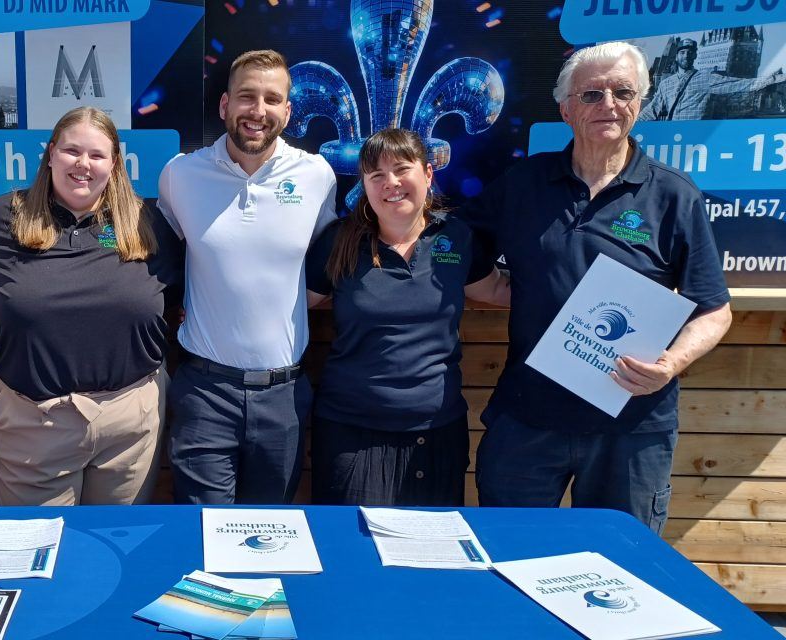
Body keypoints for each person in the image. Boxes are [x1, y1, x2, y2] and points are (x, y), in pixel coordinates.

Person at [462, 42, 732, 532]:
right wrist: (495, 289)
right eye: (591, 94)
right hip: (528, 417)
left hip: (632, 427)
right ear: (566, 109)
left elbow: (713, 309)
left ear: (639, 104)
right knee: (508, 550)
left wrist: (671, 364)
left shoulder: (674, 195)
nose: (608, 104)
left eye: (622, 92)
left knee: (624, 563)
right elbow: (458, 247)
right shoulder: (523, 183)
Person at [0, 106, 182, 506]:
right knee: (35, 542)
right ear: (51, 153)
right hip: (34, 425)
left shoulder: (146, 223)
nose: (83, 164)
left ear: (114, 164)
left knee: (116, 541)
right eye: (72, 151)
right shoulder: (3, 219)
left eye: (97, 155)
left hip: (129, 426)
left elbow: (170, 301)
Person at [158, 49, 337, 505]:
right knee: (202, 529)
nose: (258, 111)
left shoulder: (317, 176)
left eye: (272, 99)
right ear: (225, 105)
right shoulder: (180, 174)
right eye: (247, 97)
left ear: (287, 111)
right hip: (204, 391)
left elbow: (325, 260)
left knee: (270, 530)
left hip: (284, 395)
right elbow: (163, 257)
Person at [306, 128, 510, 507]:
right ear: (365, 185)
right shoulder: (339, 241)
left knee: (433, 544)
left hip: (436, 433)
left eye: (402, 169)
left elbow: (498, 290)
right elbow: (290, 303)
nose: (391, 183)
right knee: (352, 541)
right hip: (350, 434)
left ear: (428, 174)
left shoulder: (456, 238)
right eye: (377, 175)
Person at [639, 38, 784, 121]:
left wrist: (773, 78)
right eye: (682, 52)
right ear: (676, 56)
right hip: (671, 136)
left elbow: (740, 84)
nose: (686, 55)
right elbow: (651, 111)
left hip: (695, 137)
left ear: (695, 56)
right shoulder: (666, 84)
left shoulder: (706, 78)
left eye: (690, 52)